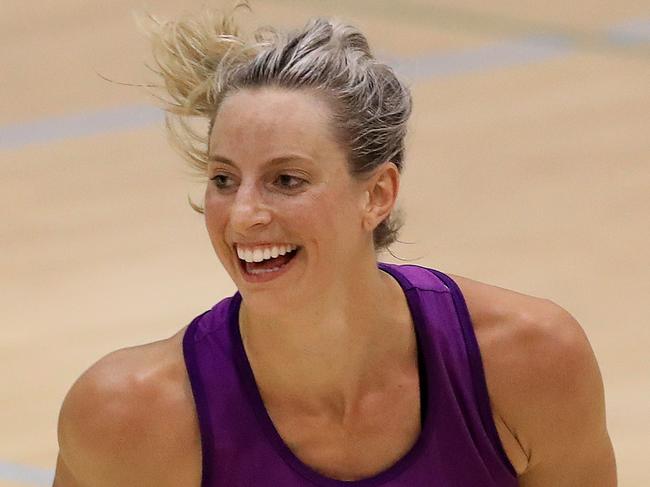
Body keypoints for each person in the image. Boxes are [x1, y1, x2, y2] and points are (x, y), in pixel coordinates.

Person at [53, 5, 616, 486]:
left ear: (376, 194)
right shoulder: (129, 416)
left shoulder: (528, 360)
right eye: (224, 178)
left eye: (286, 180)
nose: (243, 215)